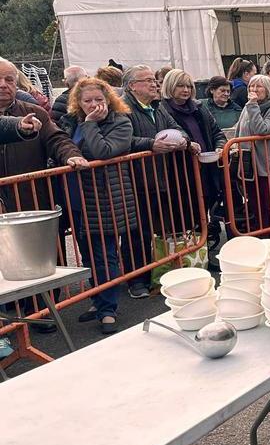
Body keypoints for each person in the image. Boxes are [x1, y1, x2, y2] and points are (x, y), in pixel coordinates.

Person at [59, 78, 137, 333]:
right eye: (87, 100)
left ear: (108, 99)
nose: (93, 105)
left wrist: (91, 124)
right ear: (78, 102)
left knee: (106, 254)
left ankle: (108, 309)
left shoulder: (120, 122)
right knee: (88, 253)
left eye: (99, 99)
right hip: (77, 196)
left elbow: (103, 151)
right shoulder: (71, 121)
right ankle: (99, 299)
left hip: (105, 197)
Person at [120, 64, 190, 299]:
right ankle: (136, 280)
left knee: (156, 228)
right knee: (136, 233)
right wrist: (150, 144)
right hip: (135, 180)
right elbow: (123, 140)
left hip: (159, 177)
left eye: (154, 80)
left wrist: (183, 140)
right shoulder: (123, 108)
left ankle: (155, 272)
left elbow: (177, 129)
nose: (154, 84)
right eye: (148, 80)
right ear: (132, 86)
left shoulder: (157, 107)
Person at [0, 58, 87, 211]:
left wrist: (71, 155)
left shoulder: (35, 112)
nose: (3, 84)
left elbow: (56, 138)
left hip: (31, 199)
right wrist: (18, 126)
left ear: (16, 83)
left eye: (9, 80)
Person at [161, 69, 229, 261]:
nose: (186, 90)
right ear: (170, 86)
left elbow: (216, 132)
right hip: (180, 174)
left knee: (203, 213)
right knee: (185, 218)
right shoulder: (163, 110)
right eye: (180, 86)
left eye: (188, 86)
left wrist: (219, 147)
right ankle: (188, 259)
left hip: (206, 169)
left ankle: (201, 256)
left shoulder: (199, 107)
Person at [235, 74, 270, 235]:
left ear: (268, 90)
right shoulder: (248, 108)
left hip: (266, 165)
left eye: (259, 86)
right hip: (249, 165)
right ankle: (263, 236)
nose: (254, 89)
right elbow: (239, 130)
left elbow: (261, 129)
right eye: (251, 86)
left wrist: (252, 105)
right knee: (256, 204)